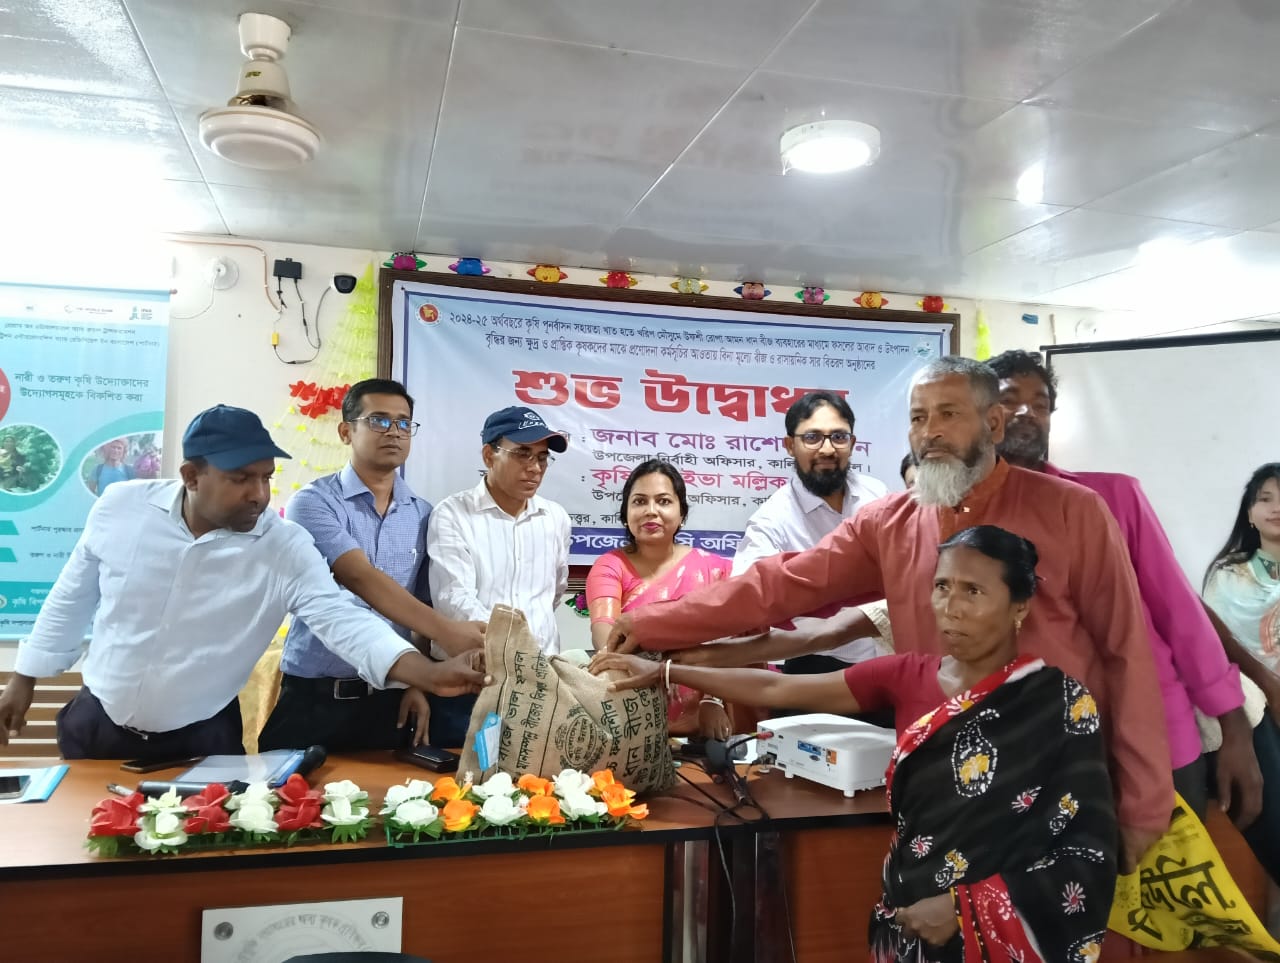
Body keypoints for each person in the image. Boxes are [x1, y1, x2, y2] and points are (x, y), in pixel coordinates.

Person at [603, 356, 1172, 873]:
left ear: (994, 424)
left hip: (1051, 781)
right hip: (935, 783)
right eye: (919, 418)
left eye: (949, 414)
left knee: (1043, 930)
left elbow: (1125, 651)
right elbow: (780, 585)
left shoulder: (1073, 511)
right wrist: (652, 623)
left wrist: (1144, 801)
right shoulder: (891, 522)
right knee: (930, 925)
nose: (931, 432)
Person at [595, 526, 1117, 961]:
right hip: (908, 916)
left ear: (1020, 606)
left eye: (973, 591)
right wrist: (665, 672)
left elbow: (1087, 849)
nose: (950, 607)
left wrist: (964, 910)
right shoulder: (907, 675)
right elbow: (778, 688)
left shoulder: (1061, 704)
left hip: (999, 933)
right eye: (942, 586)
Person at [0, 404, 488, 760]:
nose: (259, 494)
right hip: (97, 719)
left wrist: (425, 673)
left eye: (266, 477)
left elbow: (341, 619)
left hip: (202, 735)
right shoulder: (122, 507)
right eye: (241, 479)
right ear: (192, 476)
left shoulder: (283, 546)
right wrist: (25, 676)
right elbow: (72, 595)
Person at [989, 349, 1266, 846]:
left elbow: (1180, 612)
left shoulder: (1113, 497)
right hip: (1036, 747)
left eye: (1042, 403)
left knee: (1172, 886)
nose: (1028, 412)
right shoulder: (956, 519)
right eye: (1011, 399)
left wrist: (1235, 725)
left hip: (1155, 736)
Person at [258, 379, 486, 753]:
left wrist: (417, 681)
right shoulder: (314, 503)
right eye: (379, 420)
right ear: (345, 431)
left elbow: (420, 604)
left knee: (389, 789)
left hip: (390, 697)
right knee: (291, 787)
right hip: (316, 696)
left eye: (403, 423)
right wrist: (449, 632)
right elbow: (357, 575)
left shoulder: (422, 514)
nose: (394, 432)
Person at [426, 405, 571, 746]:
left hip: (540, 686)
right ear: (489, 455)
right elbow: (453, 600)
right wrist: (515, 647)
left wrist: (530, 658)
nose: (534, 467)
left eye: (542, 458)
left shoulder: (555, 518)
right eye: (522, 454)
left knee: (540, 778)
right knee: (464, 777)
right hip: (472, 684)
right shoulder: (452, 514)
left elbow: (553, 592)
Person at [730, 391, 890, 676]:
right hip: (815, 664)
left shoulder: (876, 494)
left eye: (838, 437)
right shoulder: (772, 519)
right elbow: (746, 595)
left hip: (885, 655)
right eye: (812, 437)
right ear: (790, 446)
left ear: (852, 443)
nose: (827, 449)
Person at [585, 459, 732, 738]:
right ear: (626, 513)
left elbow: (729, 646)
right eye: (639, 501)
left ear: (681, 512)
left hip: (703, 721)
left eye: (663, 501)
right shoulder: (610, 566)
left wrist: (713, 700)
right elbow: (606, 636)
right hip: (630, 717)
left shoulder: (715, 569)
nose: (651, 511)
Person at [1204, 463, 1280, 679]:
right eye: (1265, 499)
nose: (1277, 508)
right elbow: (1212, 645)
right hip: (1245, 690)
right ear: (1250, 514)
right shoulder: (1228, 577)